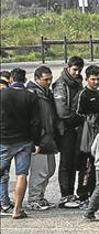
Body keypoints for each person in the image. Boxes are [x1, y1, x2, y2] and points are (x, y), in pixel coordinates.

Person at [0, 68, 42, 219]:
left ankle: (3, 202)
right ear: (24, 80)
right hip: (24, 141)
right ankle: (17, 210)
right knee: (21, 174)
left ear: (11, 79)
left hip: (4, 139)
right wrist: (36, 141)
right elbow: (36, 122)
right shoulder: (31, 97)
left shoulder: (2, 95)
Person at [27, 66, 61, 209]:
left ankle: (40, 196)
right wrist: (36, 138)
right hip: (38, 137)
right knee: (40, 170)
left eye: (50, 79)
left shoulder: (46, 93)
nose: (48, 82)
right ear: (36, 79)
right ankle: (33, 199)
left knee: (50, 169)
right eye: (45, 79)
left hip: (49, 136)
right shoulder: (32, 94)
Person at [53, 56, 84, 208]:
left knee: (74, 162)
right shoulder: (60, 85)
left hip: (76, 128)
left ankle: (71, 194)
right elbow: (62, 111)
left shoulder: (78, 83)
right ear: (68, 67)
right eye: (74, 70)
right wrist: (79, 118)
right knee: (66, 163)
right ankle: (65, 196)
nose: (77, 73)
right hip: (65, 129)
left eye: (79, 70)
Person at [74, 65, 99, 206]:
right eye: (93, 79)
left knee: (96, 165)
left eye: (98, 79)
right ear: (87, 79)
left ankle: (94, 193)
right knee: (86, 166)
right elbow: (78, 115)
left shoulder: (98, 94)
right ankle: (82, 195)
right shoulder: (83, 94)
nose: (96, 82)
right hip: (86, 135)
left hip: (97, 133)